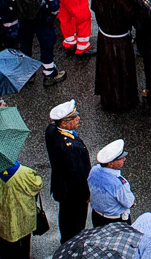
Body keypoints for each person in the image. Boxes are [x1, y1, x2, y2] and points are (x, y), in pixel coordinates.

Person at [45, 99, 91, 241]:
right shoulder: (70, 148)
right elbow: (78, 176)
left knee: (65, 219)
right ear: (63, 123)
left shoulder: (52, 131)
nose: (78, 118)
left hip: (62, 188)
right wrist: (87, 194)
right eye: (73, 117)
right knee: (75, 224)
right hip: (74, 194)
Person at [89, 138, 136, 226]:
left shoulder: (94, 170)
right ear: (110, 163)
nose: (124, 159)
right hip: (115, 221)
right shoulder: (119, 184)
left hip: (97, 216)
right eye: (121, 158)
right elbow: (129, 203)